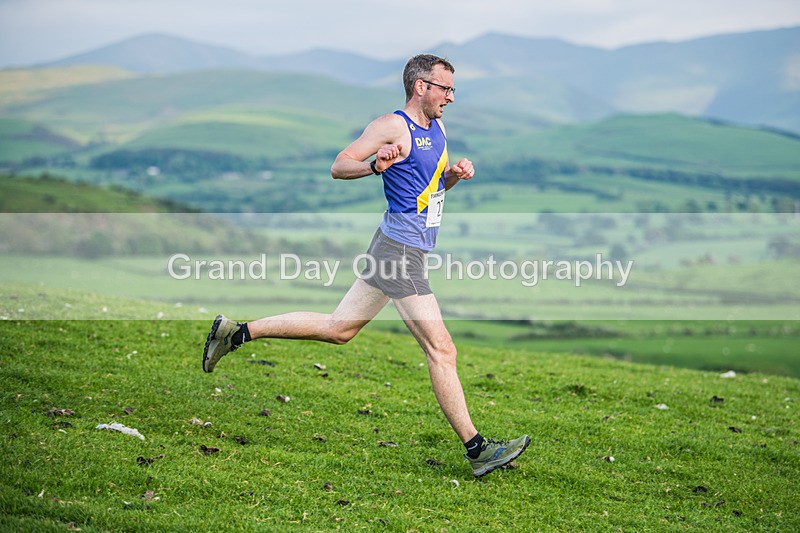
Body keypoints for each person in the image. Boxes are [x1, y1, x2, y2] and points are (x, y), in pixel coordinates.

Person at [202, 54, 529, 478]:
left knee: (339, 328)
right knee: (441, 349)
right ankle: (478, 450)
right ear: (420, 87)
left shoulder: (438, 127)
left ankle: (236, 332)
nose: (450, 96)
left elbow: (428, 187)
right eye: (445, 88)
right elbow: (340, 165)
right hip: (400, 254)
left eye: (452, 89)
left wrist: (453, 176)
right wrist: (375, 165)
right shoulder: (391, 126)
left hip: (396, 246)